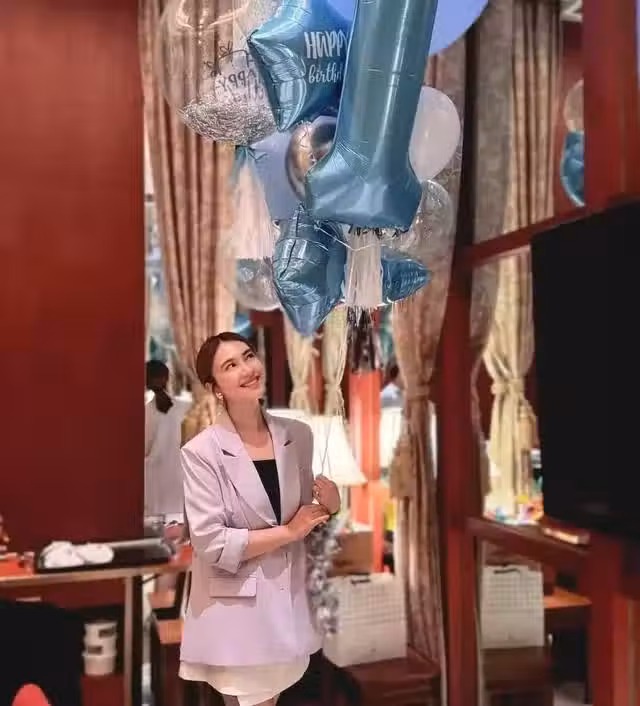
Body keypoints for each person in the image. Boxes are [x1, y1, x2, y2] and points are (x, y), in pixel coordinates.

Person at [179, 332, 340, 706]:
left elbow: (304, 519)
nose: (247, 368)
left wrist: (331, 507)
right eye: (230, 365)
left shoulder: (298, 435)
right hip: (236, 613)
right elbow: (212, 543)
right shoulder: (201, 452)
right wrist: (288, 531)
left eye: (249, 356)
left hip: (287, 608)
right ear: (215, 388)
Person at [145, 360, 190, 531]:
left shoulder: (144, 413)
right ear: (167, 378)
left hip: (156, 487)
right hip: (177, 484)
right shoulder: (185, 408)